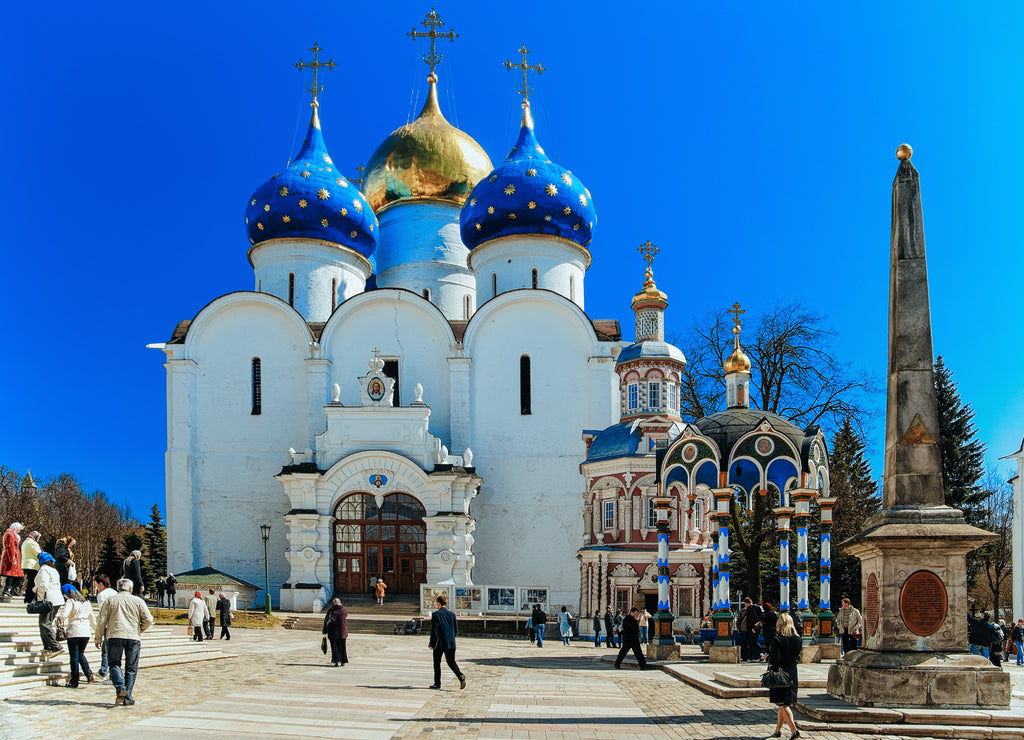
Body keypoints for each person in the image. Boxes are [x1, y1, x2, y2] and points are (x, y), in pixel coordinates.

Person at [95, 577, 153, 706]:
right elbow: (148, 619)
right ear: (130, 589)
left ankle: (121, 687)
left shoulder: (110, 600)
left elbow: (101, 620)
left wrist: (98, 637)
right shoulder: (138, 601)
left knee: (114, 664)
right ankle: (127, 697)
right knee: (131, 667)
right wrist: (140, 629)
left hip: (114, 635)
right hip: (133, 636)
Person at [768, 612, 803, 739]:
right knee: (783, 703)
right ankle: (778, 730)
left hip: (781, 673)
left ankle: (794, 730)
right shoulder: (798, 639)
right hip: (792, 672)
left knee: (783, 704)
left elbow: (775, 658)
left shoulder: (777, 639)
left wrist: (769, 659)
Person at [57, 583, 96, 687]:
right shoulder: (86, 602)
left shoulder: (71, 601)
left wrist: (59, 618)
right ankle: (88, 673)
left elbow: (64, 615)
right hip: (85, 631)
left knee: (74, 656)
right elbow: (92, 618)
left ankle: (74, 681)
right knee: (80, 654)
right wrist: (96, 630)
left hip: (74, 630)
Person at [428, 594, 465, 689]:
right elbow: (456, 630)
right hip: (450, 642)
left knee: (437, 663)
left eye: (436, 603)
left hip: (439, 643)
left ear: (439, 604)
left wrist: (432, 644)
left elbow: (435, 630)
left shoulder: (436, 614)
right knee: (451, 661)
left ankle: (437, 683)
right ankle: (460, 676)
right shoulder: (452, 615)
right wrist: (451, 638)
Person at [33, 552, 66, 656]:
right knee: (45, 622)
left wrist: (35, 589)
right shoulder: (54, 570)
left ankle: (55, 646)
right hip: (57, 599)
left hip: (49, 599)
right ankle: (47, 646)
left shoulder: (43, 570)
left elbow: (44, 585)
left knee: (44, 623)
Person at [94, 573, 115, 678]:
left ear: (101, 584)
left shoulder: (102, 595)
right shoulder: (115, 592)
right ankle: (106, 670)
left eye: (96, 585)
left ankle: (104, 670)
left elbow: (103, 612)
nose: (96, 588)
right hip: (116, 624)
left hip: (108, 625)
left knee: (106, 650)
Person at [322, 597, 348, 666]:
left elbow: (326, 620)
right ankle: (341, 661)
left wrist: (324, 631)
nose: (337, 603)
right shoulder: (343, 610)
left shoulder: (332, 610)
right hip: (340, 632)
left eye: (337, 602)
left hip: (335, 632)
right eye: (336, 602)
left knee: (337, 648)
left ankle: (337, 661)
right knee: (340, 647)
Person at [1, 522, 24, 597]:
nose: (19, 531)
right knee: (10, 574)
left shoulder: (12, 534)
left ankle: (13, 588)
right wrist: (12, 558)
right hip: (11, 558)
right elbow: (10, 547)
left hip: (14, 557)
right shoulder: (10, 535)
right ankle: (7, 589)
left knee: (18, 574)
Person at [21, 531, 42, 604]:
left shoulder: (25, 542)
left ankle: (27, 597)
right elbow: (38, 553)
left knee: (29, 581)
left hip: (25, 563)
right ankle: (29, 598)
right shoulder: (33, 543)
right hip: (32, 565)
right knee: (32, 582)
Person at [742, 597, 764, 662]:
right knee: (755, 641)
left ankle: (755, 656)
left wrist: (752, 628)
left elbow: (751, 619)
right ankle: (760, 654)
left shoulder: (750, 609)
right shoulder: (758, 607)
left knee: (752, 643)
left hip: (752, 628)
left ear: (747, 603)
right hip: (758, 627)